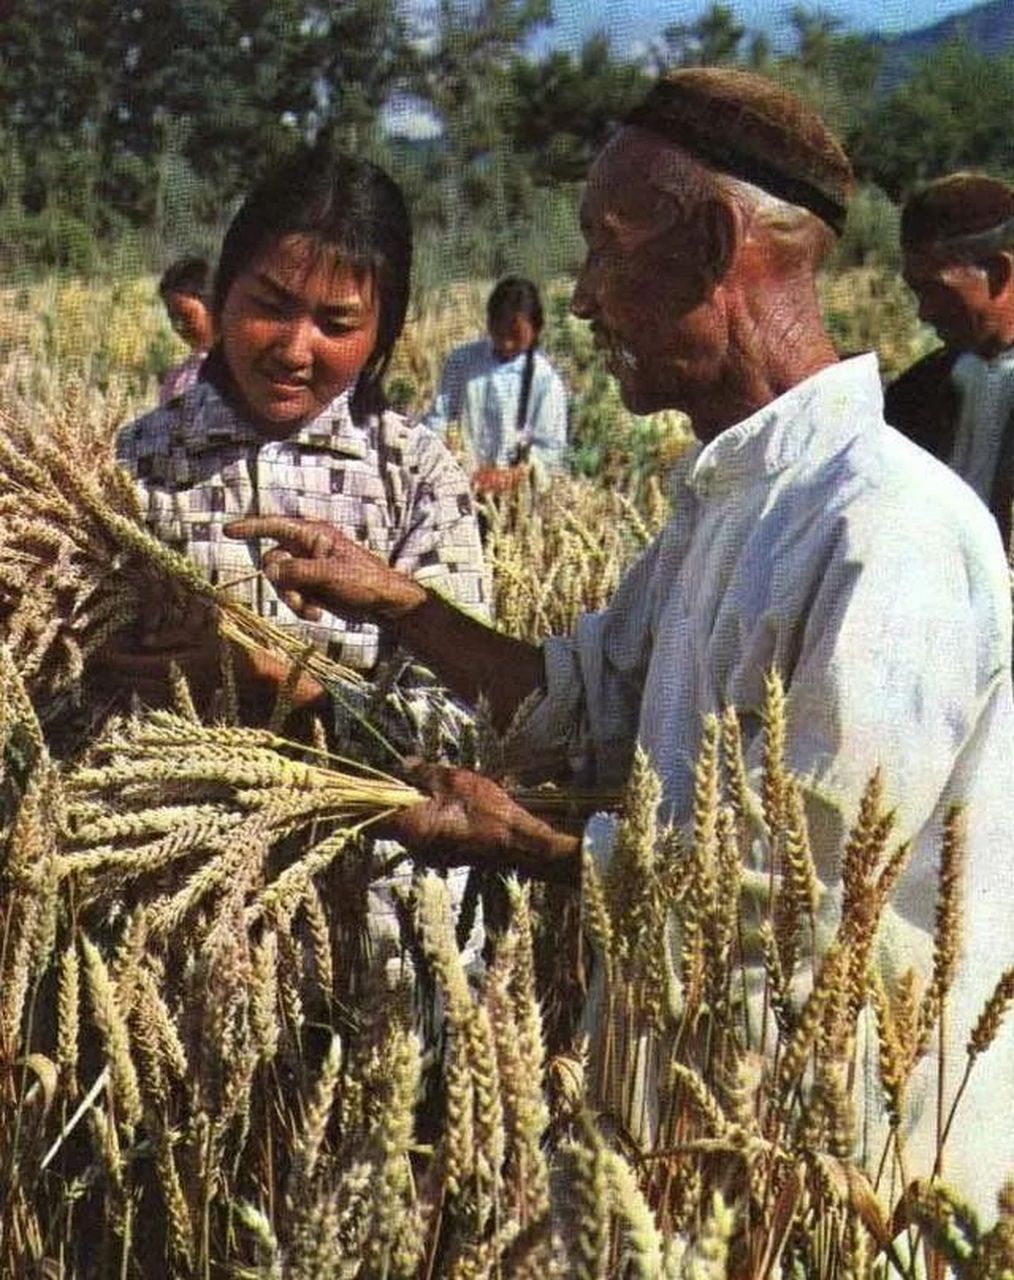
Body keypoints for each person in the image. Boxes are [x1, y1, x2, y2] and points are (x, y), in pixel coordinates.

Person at [226, 70, 1014, 1217]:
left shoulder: (881, 524)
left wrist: (527, 840)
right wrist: (398, 601)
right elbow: (585, 694)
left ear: (708, 243)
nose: (583, 295)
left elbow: (786, 894)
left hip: (844, 1174)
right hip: (700, 1135)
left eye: (606, 243)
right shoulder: (730, 498)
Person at [111, 146, 487, 722]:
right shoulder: (134, 462)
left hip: (357, 810)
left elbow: (467, 722)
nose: (293, 351)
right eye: (269, 305)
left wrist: (273, 684)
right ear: (224, 293)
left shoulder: (416, 478)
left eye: (336, 324)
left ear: (382, 332)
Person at [885, 173, 1014, 548]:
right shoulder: (914, 395)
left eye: (935, 291)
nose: (924, 313)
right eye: (916, 291)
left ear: (997, 273)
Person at [422, 275, 568, 494]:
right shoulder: (462, 361)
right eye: (499, 332)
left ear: (536, 329)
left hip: (517, 498)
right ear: (489, 321)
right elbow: (438, 419)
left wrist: (509, 477)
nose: (507, 342)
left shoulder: (546, 382)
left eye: (516, 335)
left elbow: (551, 450)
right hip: (460, 484)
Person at [157, 256, 215, 406]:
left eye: (186, 317)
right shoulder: (176, 379)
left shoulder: (239, 374)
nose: (178, 326)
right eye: (172, 318)